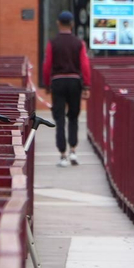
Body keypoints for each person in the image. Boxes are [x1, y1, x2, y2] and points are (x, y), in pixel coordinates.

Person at [41, 11, 91, 167]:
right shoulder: (79, 43)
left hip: (58, 81)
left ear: (58, 23)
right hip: (74, 81)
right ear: (72, 24)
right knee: (73, 117)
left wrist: (47, 84)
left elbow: (47, 65)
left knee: (59, 118)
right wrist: (86, 85)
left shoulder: (53, 43)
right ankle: (73, 151)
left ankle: (62, 155)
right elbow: (85, 65)